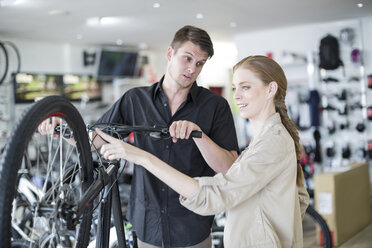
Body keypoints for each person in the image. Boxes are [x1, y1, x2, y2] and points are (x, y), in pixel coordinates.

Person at [95, 55, 310, 247]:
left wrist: (141, 157)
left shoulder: (273, 142)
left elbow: (216, 194)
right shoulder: (266, 138)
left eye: (246, 87)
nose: (237, 96)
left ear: (270, 89)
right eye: (235, 88)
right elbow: (296, 200)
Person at [92, 25, 239, 248]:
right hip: (147, 227)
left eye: (200, 63)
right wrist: (61, 129)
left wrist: (199, 135)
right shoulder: (135, 99)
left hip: (193, 227)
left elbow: (229, 168)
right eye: (187, 58)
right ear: (170, 53)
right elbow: (95, 140)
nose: (192, 69)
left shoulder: (215, 106)